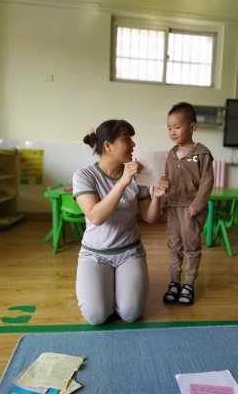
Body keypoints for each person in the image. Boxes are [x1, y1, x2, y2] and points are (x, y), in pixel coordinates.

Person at [73, 119, 168, 325]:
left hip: (130, 252)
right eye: (127, 139)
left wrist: (158, 196)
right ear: (107, 146)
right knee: (96, 317)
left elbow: (150, 218)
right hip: (94, 255)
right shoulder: (84, 175)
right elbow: (96, 216)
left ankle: (116, 293)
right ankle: (109, 294)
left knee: (131, 314)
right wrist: (124, 181)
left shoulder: (137, 175)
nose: (133, 145)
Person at [162, 102, 214, 305]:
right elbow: (166, 178)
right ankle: (174, 282)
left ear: (191, 127)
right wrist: (163, 194)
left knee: (191, 247)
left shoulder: (202, 154)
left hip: (191, 209)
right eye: (169, 127)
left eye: (177, 126)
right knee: (173, 246)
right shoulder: (170, 154)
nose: (172, 132)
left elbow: (207, 182)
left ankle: (189, 284)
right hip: (173, 207)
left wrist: (197, 205)